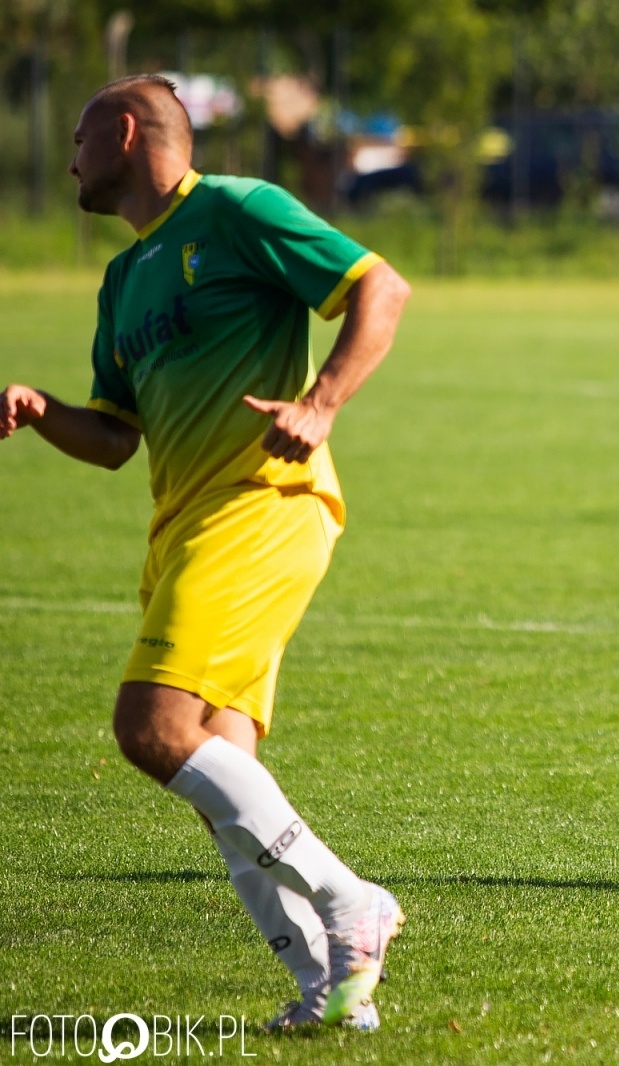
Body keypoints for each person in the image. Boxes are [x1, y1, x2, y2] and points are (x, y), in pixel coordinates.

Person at [0, 75, 411, 1027]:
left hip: (262, 506)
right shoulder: (121, 279)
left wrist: (320, 405)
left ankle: (352, 901)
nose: (68, 157)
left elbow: (378, 287)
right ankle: (331, 989)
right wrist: (43, 410)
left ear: (127, 132)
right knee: (219, 773)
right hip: (183, 528)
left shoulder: (236, 210)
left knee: (149, 728)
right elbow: (113, 438)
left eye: (78, 137)